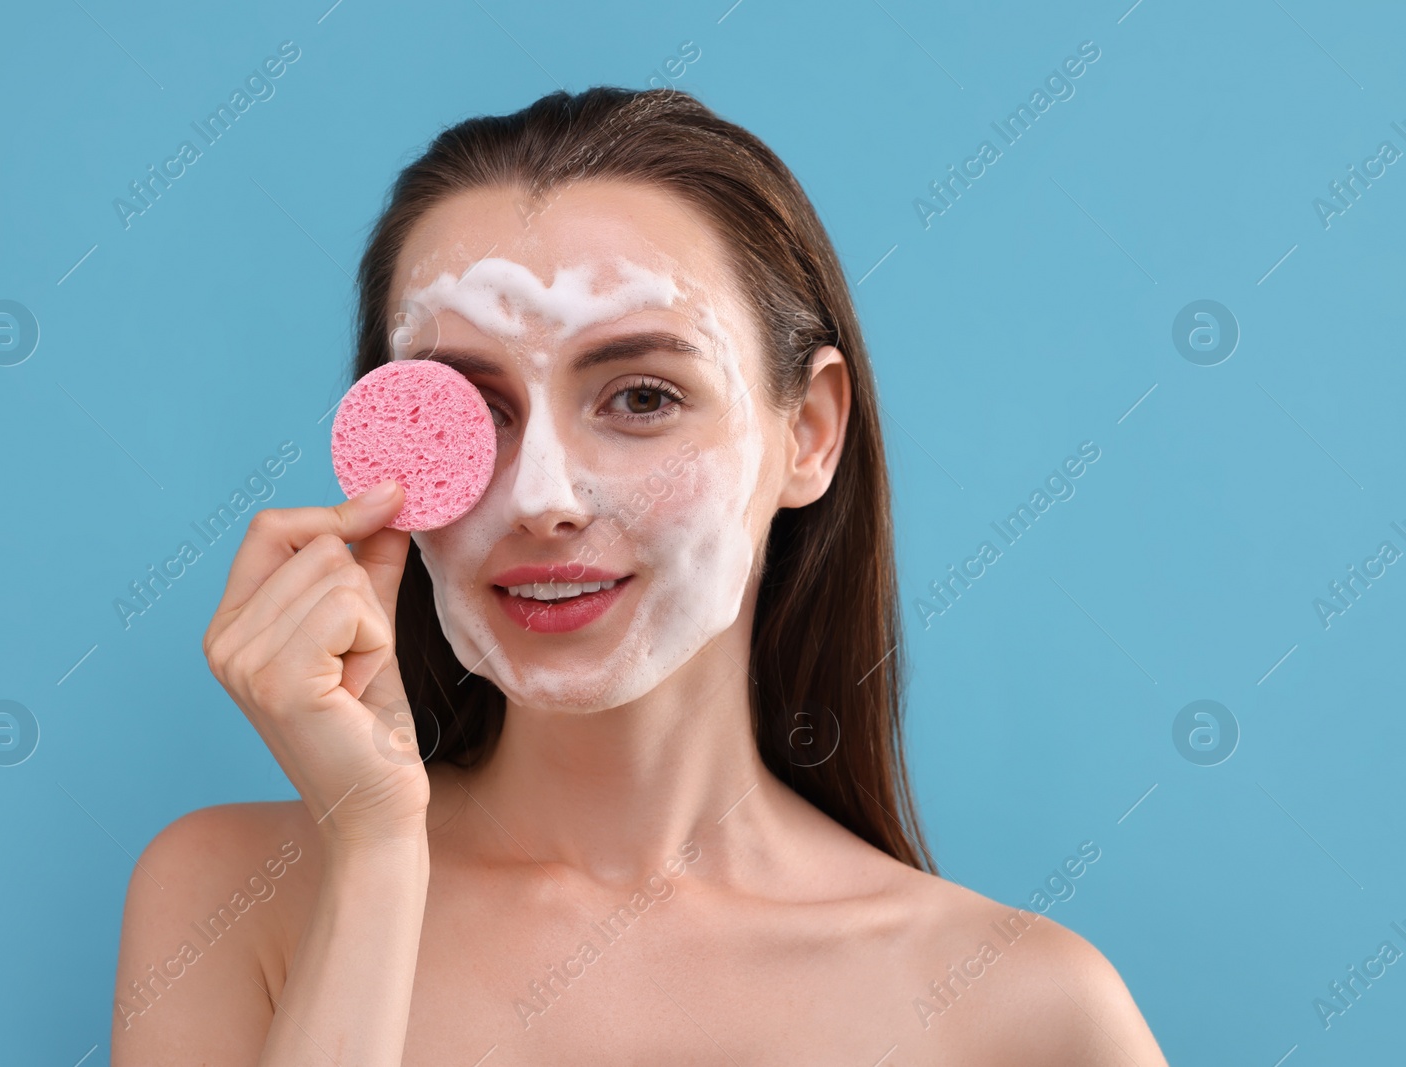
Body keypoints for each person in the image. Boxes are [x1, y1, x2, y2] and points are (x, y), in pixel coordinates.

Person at [111, 86, 1169, 1065]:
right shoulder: (230, 898)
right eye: (472, 412)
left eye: (642, 397)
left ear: (806, 431)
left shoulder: (1022, 1009)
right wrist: (378, 857)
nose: (543, 497)